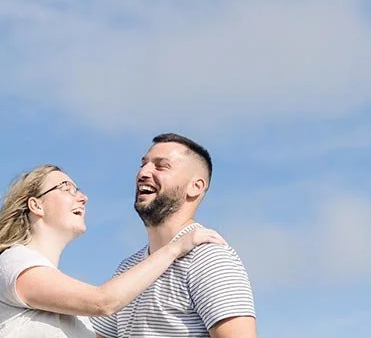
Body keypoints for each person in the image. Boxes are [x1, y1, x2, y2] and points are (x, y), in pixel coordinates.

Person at [0, 163, 227, 338]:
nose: (83, 197)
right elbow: (104, 301)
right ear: (36, 205)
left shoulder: (78, 321)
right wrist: (174, 248)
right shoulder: (13, 264)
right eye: (67, 187)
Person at [89, 133, 257, 338]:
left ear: (195, 187)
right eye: (143, 164)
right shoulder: (128, 267)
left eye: (161, 166)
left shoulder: (209, 258)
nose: (143, 172)